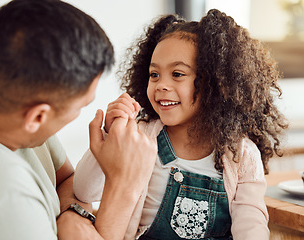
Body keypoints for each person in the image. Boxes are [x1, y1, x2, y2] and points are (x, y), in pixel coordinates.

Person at [73, 9, 288, 240]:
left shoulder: (242, 155)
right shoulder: (138, 136)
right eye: (154, 74)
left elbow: (251, 225)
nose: (161, 84)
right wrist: (110, 134)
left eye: (177, 74)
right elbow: (84, 190)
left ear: (214, 84)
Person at [0, 0, 157, 240]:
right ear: (38, 116)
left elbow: (67, 180)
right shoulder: (9, 194)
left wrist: (72, 214)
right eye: (81, 106)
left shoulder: (19, 120)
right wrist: (124, 187)